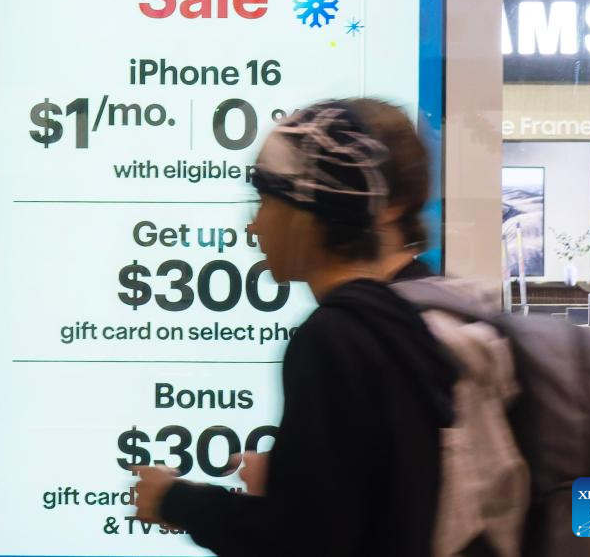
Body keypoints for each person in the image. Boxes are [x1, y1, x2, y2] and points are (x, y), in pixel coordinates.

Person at [134, 99, 458, 557]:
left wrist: (176, 501)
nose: (252, 227)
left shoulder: (332, 337)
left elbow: (298, 540)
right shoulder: (397, 323)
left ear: (303, 215)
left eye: (265, 202)